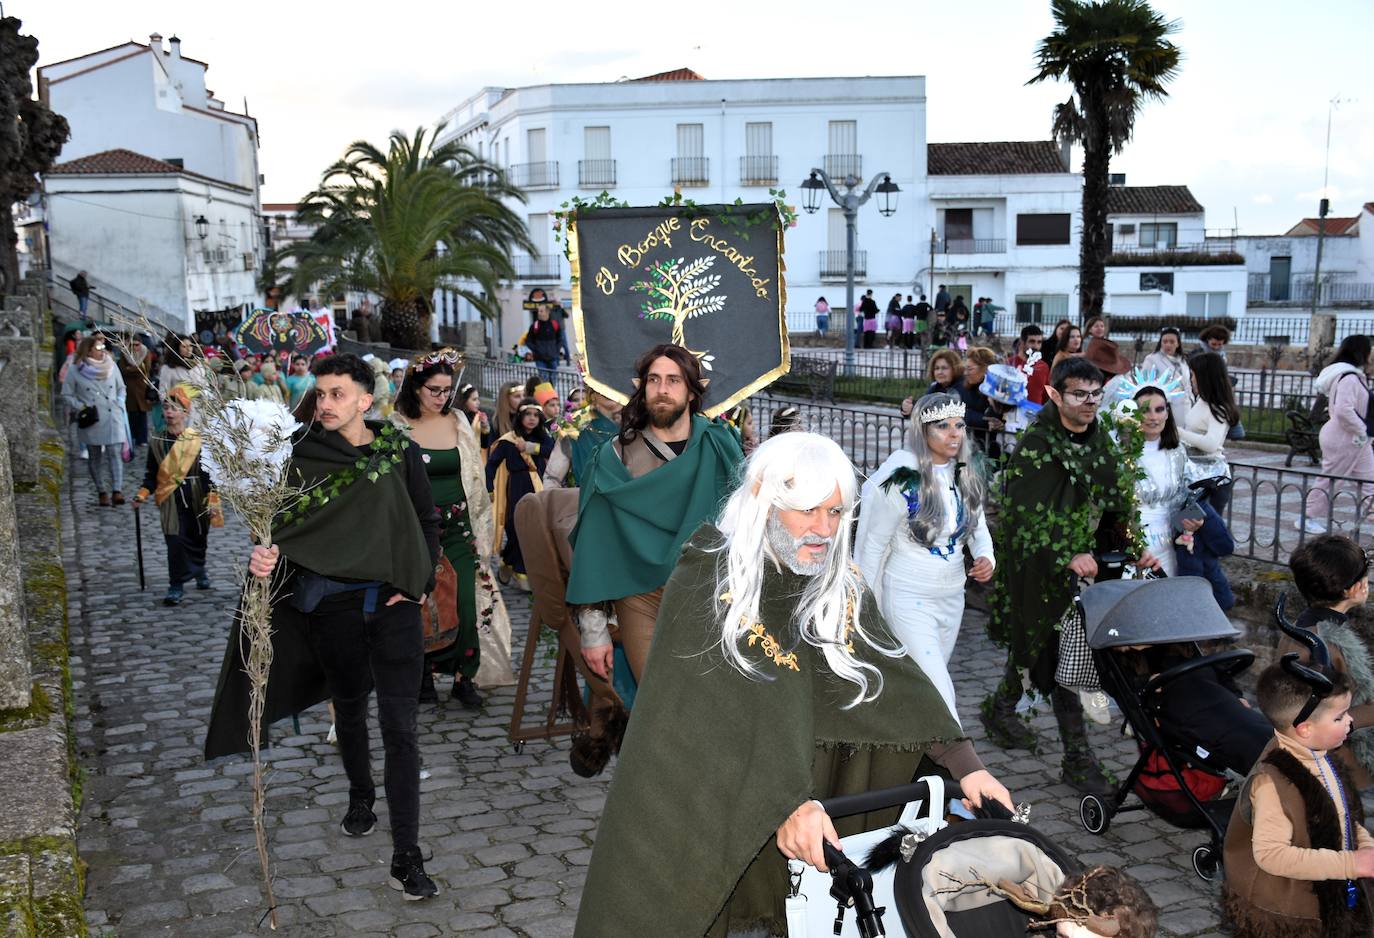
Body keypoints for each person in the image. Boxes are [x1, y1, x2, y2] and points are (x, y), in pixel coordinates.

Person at [573, 433, 1014, 937]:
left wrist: (968, 767)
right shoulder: (709, 575)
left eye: (835, 513)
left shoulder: (839, 583)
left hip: (813, 812)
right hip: (721, 813)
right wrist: (784, 802)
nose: (823, 530)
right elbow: (704, 718)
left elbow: (894, 683)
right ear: (764, 495)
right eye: (807, 511)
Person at [205, 353, 442, 900]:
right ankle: (361, 794)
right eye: (320, 393)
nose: (325, 403)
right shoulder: (296, 456)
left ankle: (406, 856)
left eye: (337, 394)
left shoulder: (397, 450)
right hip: (330, 608)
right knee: (352, 706)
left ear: (366, 399)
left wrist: (421, 578)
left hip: (394, 606)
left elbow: (426, 521)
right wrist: (263, 557)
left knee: (402, 729)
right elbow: (281, 530)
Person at [982, 356, 1158, 796]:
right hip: (1038, 567)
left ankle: (1001, 709)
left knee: (1043, 648)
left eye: (1096, 394)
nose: (1090, 402)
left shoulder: (1099, 440)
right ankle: (1078, 760)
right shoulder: (1036, 445)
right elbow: (1018, 515)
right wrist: (1066, 552)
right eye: (1080, 394)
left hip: (1089, 569)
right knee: (1061, 656)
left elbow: (1119, 503)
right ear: (1055, 394)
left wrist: (1138, 549)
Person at [566, 344, 745, 683]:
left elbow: (749, 523)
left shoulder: (720, 446)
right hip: (640, 598)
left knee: (710, 710)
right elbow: (595, 542)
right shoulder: (614, 457)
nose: (662, 390)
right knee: (656, 704)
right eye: (654, 379)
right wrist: (593, 630)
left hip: (710, 597)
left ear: (693, 392)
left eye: (674, 380)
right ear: (642, 387)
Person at [854, 393, 994, 717]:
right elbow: (873, 546)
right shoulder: (900, 478)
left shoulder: (964, 473)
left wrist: (987, 557)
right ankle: (960, 765)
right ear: (921, 431)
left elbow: (978, 528)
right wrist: (866, 606)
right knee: (940, 695)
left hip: (951, 597)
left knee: (920, 688)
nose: (954, 433)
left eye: (958, 425)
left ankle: (903, 754)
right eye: (942, 426)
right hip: (906, 597)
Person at [1222, 662, 1374, 937]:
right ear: (1305, 729)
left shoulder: (1319, 754)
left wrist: (1364, 845)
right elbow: (1272, 855)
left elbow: (1340, 814)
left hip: (1331, 888)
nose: (1350, 721)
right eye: (1340, 717)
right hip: (1293, 912)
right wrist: (1351, 863)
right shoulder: (1272, 783)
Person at [394, 350, 506, 709]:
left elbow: (475, 473)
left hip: (459, 527)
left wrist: (483, 529)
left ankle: (464, 677)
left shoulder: (458, 420)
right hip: (417, 531)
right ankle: (424, 673)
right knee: (424, 604)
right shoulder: (395, 426)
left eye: (446, 390)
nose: (441, 398)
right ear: (415, 387)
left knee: (466, 603)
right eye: (434, 390)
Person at [1282, 535, 1374, 788]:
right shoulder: (1327, 644)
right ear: (1353, 589)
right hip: (1336, 759)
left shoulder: (1303, 625)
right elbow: (1323, 712)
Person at [133, 385, 222, 605]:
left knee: (197, 537)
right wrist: (142, 494)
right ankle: (176, 584)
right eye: (166, 408)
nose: (169, 412)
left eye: (174, 408)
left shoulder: (197, 440)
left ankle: (199, 569)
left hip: (196, 495)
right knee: (174, 541)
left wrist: (212, 497)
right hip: (170, 498)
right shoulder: (158, 441)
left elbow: (208, 472)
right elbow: (151, 474)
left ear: (185, 413)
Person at [1302, 335, 1374, 534]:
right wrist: (1361, 429)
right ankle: (1308, 517)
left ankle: (1372, 514)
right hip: (1345, 437)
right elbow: (1343, 409)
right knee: (1332, 478)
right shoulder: (1349, 377)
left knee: (1369, 479)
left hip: (1356, 438)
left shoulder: (1349, 375)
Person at [487, 398, 554, 588]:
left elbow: (552, 450)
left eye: (536, 415)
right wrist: (489, 487)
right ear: (520, 416)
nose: (532, 419)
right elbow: (492, 464)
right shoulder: (509, 440)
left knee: (534, 530)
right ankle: (513, 564)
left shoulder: (543, 437)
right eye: (528, 414)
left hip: (537, 487)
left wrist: (530, 448)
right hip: (516, 486)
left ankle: (520, 569)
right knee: (515, 528)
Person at [62, 336, 128, 507]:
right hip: (92, 418)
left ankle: (117, 490)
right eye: (98, 348)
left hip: (112, 415)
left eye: (102, 347)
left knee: (115, 453)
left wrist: (120, 402)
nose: (102, 351)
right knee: (95, 456)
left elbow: (121, 387)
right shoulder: (75, 370)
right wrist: (82, 406)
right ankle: (101, 491)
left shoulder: (111, 365)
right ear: (88, 350)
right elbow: (67, 394)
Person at [1180, 352, 1240, 513]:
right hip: (1197, 476)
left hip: (1212, 481)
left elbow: (1211, 444)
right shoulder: (1201, 400)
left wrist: (1179, 433)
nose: (1191, 379)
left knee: (1202, 531)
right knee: (1187, 530)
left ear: (1204, 376)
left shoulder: (1218, 407)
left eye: (1193, 375)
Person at [1142, 327, 1189, 425]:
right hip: (1165, 406)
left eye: (1172, 342)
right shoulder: (1152, 359)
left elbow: (1187, 384)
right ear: (1160, 342)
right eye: (1165, 341)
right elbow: (1146, 383)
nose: (1168, 345)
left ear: (1178, 344)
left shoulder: (1183, 361)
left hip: (1186, 406)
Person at [117, 335, 154, 447]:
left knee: (142, 415)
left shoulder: (145, 352)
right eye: (132, 345)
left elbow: (146, 368)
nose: (134, 347)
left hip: (142, 388)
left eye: (137, 344)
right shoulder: (125, 353)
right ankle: (132, 437)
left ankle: (142, 439)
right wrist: (136, 369)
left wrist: (131, 369)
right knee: (131, 415)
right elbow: (123, 370)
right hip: (130, 389)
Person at [1011, 324, 1050, 405]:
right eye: (1032, 341)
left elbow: (1046, 396)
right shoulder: (1010, 363)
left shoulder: (1043, 366)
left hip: (1036, 415)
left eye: (1039, 342)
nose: (1036, 346)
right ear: (1022, 342)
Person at [524, 304, 564, 383]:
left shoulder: (555, 325)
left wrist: (556, 350)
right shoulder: (534, 326)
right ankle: (547, 395)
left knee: (553, 379)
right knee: (544, 379)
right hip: (540, 358)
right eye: (538, 311)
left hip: (552, 357)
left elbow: (560, 339)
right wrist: (536, 350)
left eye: (541, 311)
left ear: (547, 312)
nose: (539, 313)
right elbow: (528, 340)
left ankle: (552, 394)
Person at [455, 383, 493, 452]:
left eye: (478, 399)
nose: (478, 402)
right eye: (474, 399)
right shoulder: (456, 417)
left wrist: (484, 426)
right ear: (464, 400)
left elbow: (484, 445)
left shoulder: (478, 417)